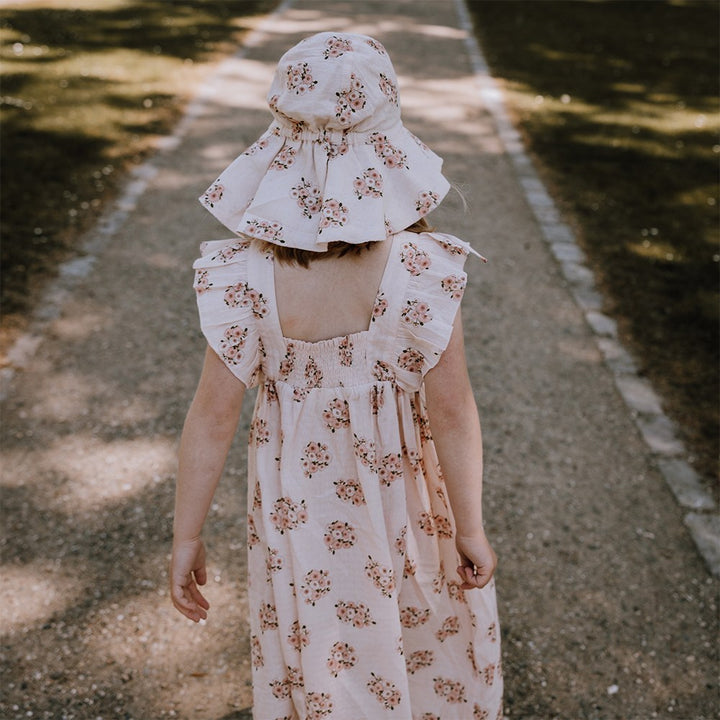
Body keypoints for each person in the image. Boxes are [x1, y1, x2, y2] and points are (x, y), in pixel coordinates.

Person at [170, 31, 503, 719]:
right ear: (386, 155)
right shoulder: (420, 272)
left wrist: (186, 536)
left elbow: (211, 419)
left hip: (302, 524)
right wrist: (469, 527)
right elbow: (454, 411)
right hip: (405, 518)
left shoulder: (246, 279)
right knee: (416, 643)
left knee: (321, 654)